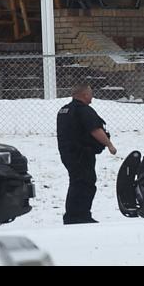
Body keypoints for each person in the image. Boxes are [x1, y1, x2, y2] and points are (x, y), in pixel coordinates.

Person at [56, 82, 116, 224]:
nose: (92, 96)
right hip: (82, 153)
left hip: (68, 153)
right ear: (84, 95)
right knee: (85, 183)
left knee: (77, 182)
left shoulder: (64, 110)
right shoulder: (84, 110)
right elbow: (95, 130)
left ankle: (74, 215)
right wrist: (109, 145)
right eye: (90, 93)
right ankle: (79, 216)